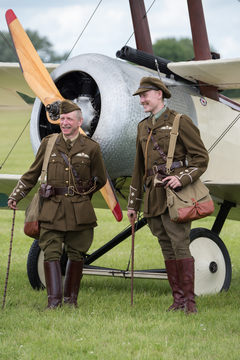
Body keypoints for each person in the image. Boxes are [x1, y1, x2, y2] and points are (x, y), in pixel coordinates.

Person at [8, 100, 107, 309]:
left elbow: (100, 179)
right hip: (50, 208)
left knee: (76, 253)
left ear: (80, 121)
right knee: (51, 251)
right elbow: (32, 173)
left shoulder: (91, 148)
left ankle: (71, 300)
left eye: (69, 119)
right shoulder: (49, 143)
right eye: (62, 119)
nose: (65, 123)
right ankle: (54, 302)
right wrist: (16, 195)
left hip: (79, 211)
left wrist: (82, 196)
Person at [127, 77, 209, 314]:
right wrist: (133, 204)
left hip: (176, 195)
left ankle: (189, 304)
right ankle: (178, 300)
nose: (141, 100)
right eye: (140, 96)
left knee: (180, 244)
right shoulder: (142, 127)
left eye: (145, 95)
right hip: (153, 196)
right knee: (165, 245)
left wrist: (181, 178)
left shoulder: (180, 121)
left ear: (159, 94)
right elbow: (138, 169)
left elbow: (201, 159)